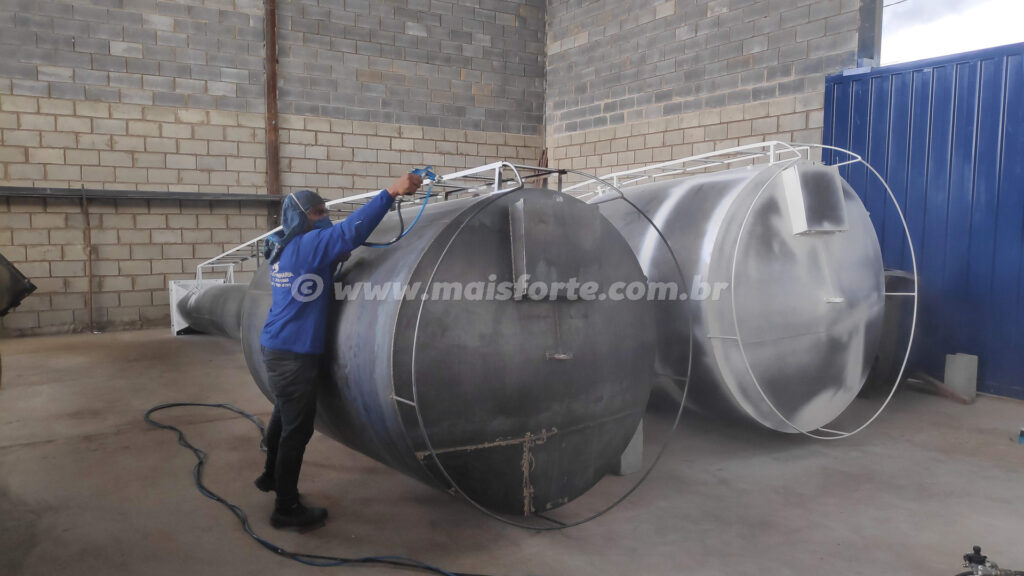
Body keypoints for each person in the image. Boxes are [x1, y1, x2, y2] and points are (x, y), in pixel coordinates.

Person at [256, 173, 422, 529]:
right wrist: (391, 191)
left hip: (279, 346)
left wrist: (332, 259)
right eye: (318, 213)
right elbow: (350, 232)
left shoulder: (286, 248)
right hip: (293, 353)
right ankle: (285, 508)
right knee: (297, 430)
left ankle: (271, 477)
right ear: (302, 217)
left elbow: (318, 268)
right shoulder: (306, 246)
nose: (325, 218)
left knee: (284, 415)